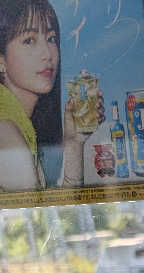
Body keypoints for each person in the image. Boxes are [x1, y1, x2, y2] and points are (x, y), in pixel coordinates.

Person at [0, 0, 103, 191]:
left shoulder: (19, 124)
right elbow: (43, 219)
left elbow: (56, 213)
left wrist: (74, 143)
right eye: (29, 40)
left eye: (51, 39)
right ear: (1, 60)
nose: (47, 54)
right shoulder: (6, 132)